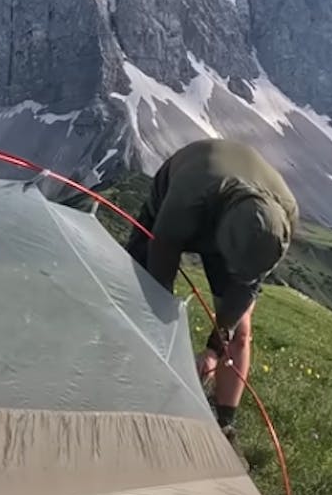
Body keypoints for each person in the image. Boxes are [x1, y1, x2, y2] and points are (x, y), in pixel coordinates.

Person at [124, 138, 298, 443]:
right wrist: (167, 338)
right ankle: (132, 384)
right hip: (181, 196)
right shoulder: (188, 196)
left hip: (235, 220)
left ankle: (223, 424)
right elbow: (161, 266)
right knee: (141, 297)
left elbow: (246, 288)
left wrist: (214, 349)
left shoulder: (283, 218)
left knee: (240, 331)